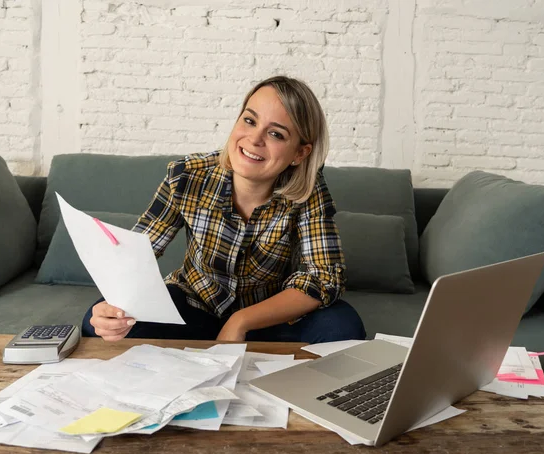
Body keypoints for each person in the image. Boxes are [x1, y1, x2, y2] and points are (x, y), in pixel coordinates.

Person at [82, 75, 366, 343]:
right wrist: (111, 309)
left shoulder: (308, 190)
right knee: (97, 321)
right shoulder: (187, 175)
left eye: (276, 134)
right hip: (193, 309)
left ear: (300, 153)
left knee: (343, 326)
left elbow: (324, 277)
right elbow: (137, 252)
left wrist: (241, 321)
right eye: (249, 120)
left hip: (267, 319)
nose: (255, 139)